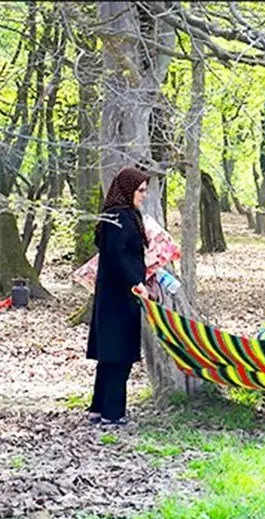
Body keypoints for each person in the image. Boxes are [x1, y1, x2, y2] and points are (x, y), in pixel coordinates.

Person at [86, 167, 150, 426]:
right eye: (140, 190)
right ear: (127, 190)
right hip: (119, 297)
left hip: (116, 296)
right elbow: (117, 256)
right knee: (118, 355)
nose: (143, 195)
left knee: (110, 355)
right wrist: (137, 283)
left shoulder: (121, 216)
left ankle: (98, 408)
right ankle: (113, 413)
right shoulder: (119, 217)